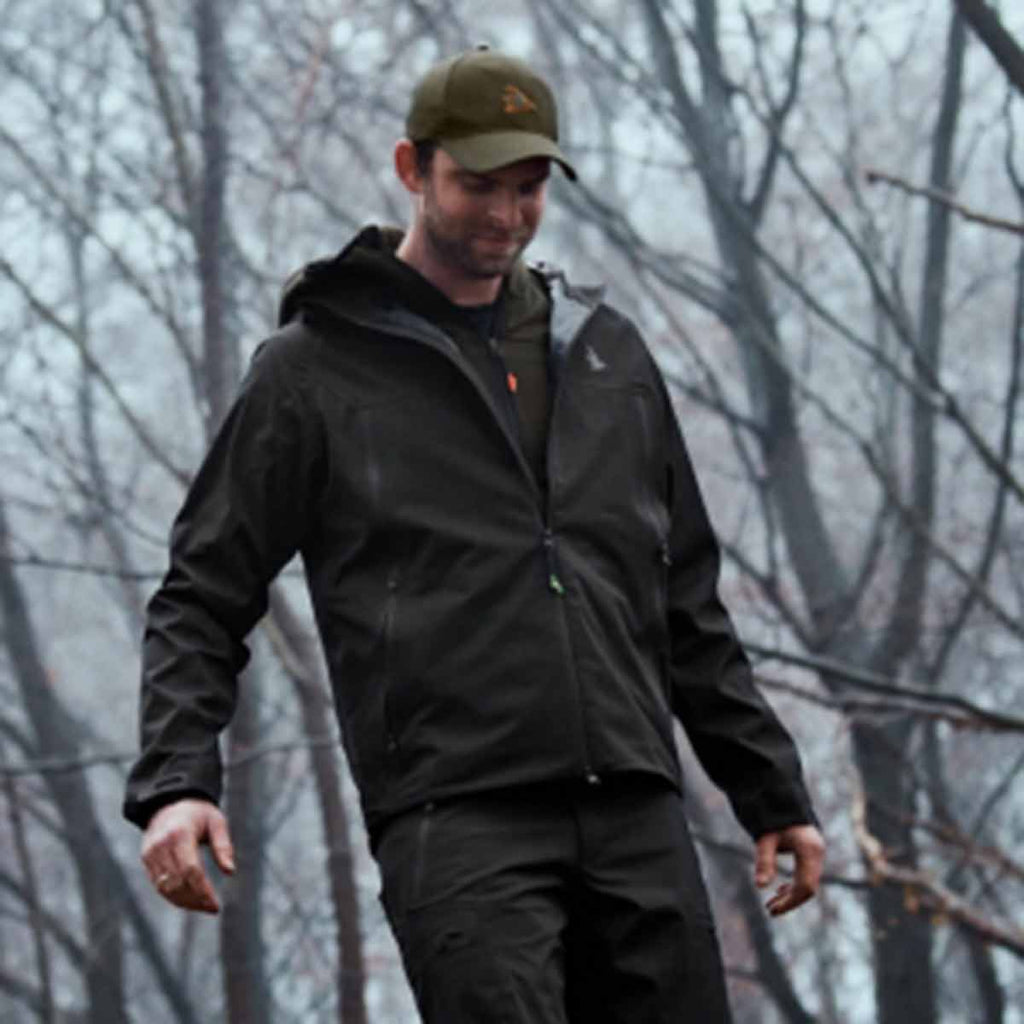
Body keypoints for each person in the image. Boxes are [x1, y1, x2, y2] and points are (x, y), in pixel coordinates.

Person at [124, 46, 825, 1023]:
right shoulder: (313, 370)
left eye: (529, 187)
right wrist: (176, 782)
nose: (505, 214)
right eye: (478, 184)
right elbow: (203, 592)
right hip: (456, 818)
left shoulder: (608, 356)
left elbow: (685, 601)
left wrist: (770, 788)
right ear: (412, 169)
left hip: (633, 803)